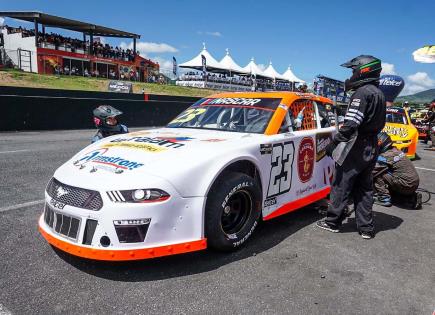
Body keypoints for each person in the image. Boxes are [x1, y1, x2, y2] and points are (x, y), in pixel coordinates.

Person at [316, 55, 386, 239]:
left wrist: (334, 142)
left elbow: (351, 124)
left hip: (357, 143)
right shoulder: (379, 93)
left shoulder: (362, 92)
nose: (352, 74)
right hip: (372, 144)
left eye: (354, 70)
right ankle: (366, 229)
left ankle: (332, 222)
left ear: (363, 71)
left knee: (341, 183)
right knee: (364, 187)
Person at [373, 132, 422, 209]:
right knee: (390, 172)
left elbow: (373, 171)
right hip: (413, 183)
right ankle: (411, 198)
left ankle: (384, 198)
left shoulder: (385, 156)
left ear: (381, 143)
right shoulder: (397, 151)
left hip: (405, 184)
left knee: (378, 174)